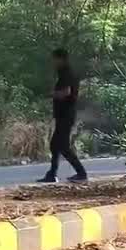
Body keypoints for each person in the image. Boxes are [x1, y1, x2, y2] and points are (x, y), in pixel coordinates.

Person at [39, 48, 88, 183]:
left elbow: (66, 92)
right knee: (55, 145)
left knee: (62, 146)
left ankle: (81, 173)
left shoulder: (67, 73)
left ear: (61, 59)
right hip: (63, 114)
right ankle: (52, 174)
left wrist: (52, 94)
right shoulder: (63, 73)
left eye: (54, 59)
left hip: (66, 114)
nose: (53, 62)